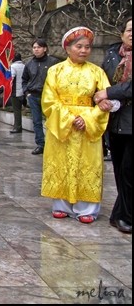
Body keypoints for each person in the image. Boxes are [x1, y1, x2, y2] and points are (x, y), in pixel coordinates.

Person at [41, 27, 111, 224]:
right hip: (63, 125)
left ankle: (87, 207)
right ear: (67, 48)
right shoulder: (55, 71)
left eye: (87, 47)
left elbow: (106, 100)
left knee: (87, 165)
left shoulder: (97, 71)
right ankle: (61, 205)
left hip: (87, 126)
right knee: (60, 163)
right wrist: (70, 119)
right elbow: (49, 101)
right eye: (78, 46)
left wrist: (88, 118)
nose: (83, 50)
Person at [95, 17, 132, 234]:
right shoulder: (111, 56)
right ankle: (119, 215)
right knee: (119, 170)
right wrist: (100, 98)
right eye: (129, 30)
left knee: (129, 170)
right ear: (121, 34)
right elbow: (100, 82)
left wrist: (110, 92)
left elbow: (112, 88)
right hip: (114, 121)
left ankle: (125, 216)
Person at [22, 38, 61, 154]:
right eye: (34, 47)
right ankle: (40, 144)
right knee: (36, 121)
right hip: (33, 95)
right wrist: (26, 93)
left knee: (52, 120)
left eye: (38, 47)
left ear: (44, 48)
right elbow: (24, 80)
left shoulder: (53, 62)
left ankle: (53, 143)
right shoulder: (29, 64)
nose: (36, 50)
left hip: (49, 96)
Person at [10, 52, 26, 133]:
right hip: (23, 91)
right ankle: (18, 126)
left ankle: (17, 126)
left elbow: (11, 78)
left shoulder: (13, 67)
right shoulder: (24, 66)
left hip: (15, 91)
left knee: (16, 110)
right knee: (20, 109)